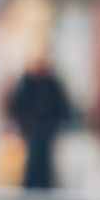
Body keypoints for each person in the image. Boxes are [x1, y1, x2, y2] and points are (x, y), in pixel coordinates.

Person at [6, 55, 72, 189]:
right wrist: (24, 122)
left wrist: (57, 123)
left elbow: (62, 105)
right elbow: (17, 105)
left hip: (47, 128)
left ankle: (44, 186)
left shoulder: (51, 83)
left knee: (44, 157)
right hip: (32, 128)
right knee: (34, 156)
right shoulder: (27, 82)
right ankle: (32, 186)